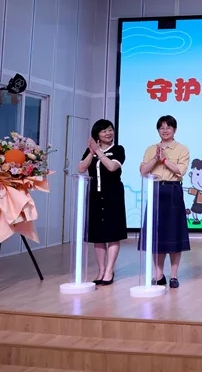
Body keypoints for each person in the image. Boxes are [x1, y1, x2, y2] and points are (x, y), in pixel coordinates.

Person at [138, 115, 191, 288]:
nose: (165, 130)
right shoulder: (150, 149)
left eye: (168, 127)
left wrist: (164, 160)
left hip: (173, 190)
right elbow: (143, 170)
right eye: (161, 127)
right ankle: (158, 274)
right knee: (156, 235)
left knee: (174, 234)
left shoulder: (182, 149)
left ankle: (174, 276)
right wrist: (155, 158)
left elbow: (180, 171)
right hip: (155, 190)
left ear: (175, 130)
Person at [77, 119, 126, 286]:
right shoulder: (90, 151)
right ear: (97, 134)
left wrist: (99, 152)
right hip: (95, 196)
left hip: (113, 196)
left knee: (112, 234)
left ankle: (109, 270)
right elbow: (81, 169)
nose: (108, 133)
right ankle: (101, 269)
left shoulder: (118, 149)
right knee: (98, 235)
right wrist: (91, 152)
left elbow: (112, 167)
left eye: (110, 129)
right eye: (104, 131)